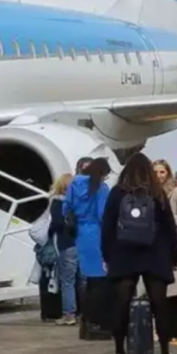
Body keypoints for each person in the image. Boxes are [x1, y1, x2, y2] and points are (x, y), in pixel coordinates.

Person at [101, 152, 177, 354]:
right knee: (160, 304)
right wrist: (173, 256)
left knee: (121, 303)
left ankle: (119, 348)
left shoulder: (118, 192)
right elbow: (170, 227)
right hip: (155, 254)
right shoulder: (157, 192)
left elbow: (107, 226)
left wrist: (108, 255)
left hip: (124, 253)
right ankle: (163, 348)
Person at [64, 156, 112, 334]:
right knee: (99, 280)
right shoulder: (101, 188)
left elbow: (66, 208)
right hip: (96, 233)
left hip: (80, 233)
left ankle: (86, 322)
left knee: (88, 280)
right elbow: (103, 214)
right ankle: (97, 322)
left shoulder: (74, 184)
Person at [47, 172, 79, 325]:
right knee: (83, 281)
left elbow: (57, 224)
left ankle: (69, 314)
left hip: (66, 244)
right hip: (82, 243)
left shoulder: (58, 203)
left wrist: (49, 232)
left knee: (67, 281)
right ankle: (84, 313)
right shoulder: (80, 202)